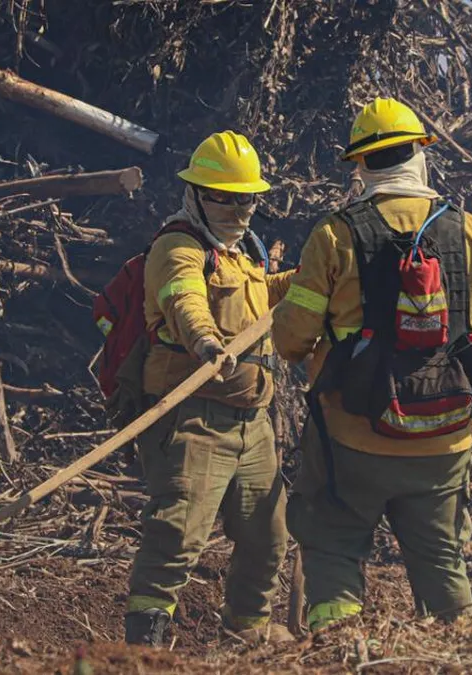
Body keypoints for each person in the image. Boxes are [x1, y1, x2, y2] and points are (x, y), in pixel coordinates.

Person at [272, 98, 472, 632]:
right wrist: (464, 401)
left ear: (360, 166)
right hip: (445, 443)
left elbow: (292, 340)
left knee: (334, 547)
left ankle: (338, 653)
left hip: (352, 440)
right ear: (421, 153)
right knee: (440, 558)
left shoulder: (335, 236)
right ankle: (458, 657)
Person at [125, 131, 295, 646]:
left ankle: (246, 637)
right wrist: (203, 342)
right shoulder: (178, 246)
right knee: (176, 536)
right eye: (227, 197)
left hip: (253, 424)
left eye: (248, 198)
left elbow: (267, 297)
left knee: (268, 538)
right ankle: (144, 650)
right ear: (198, 194)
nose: (241, 209)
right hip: (195, 421)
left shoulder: (243, 256)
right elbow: (183, 300)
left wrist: (316, 278)